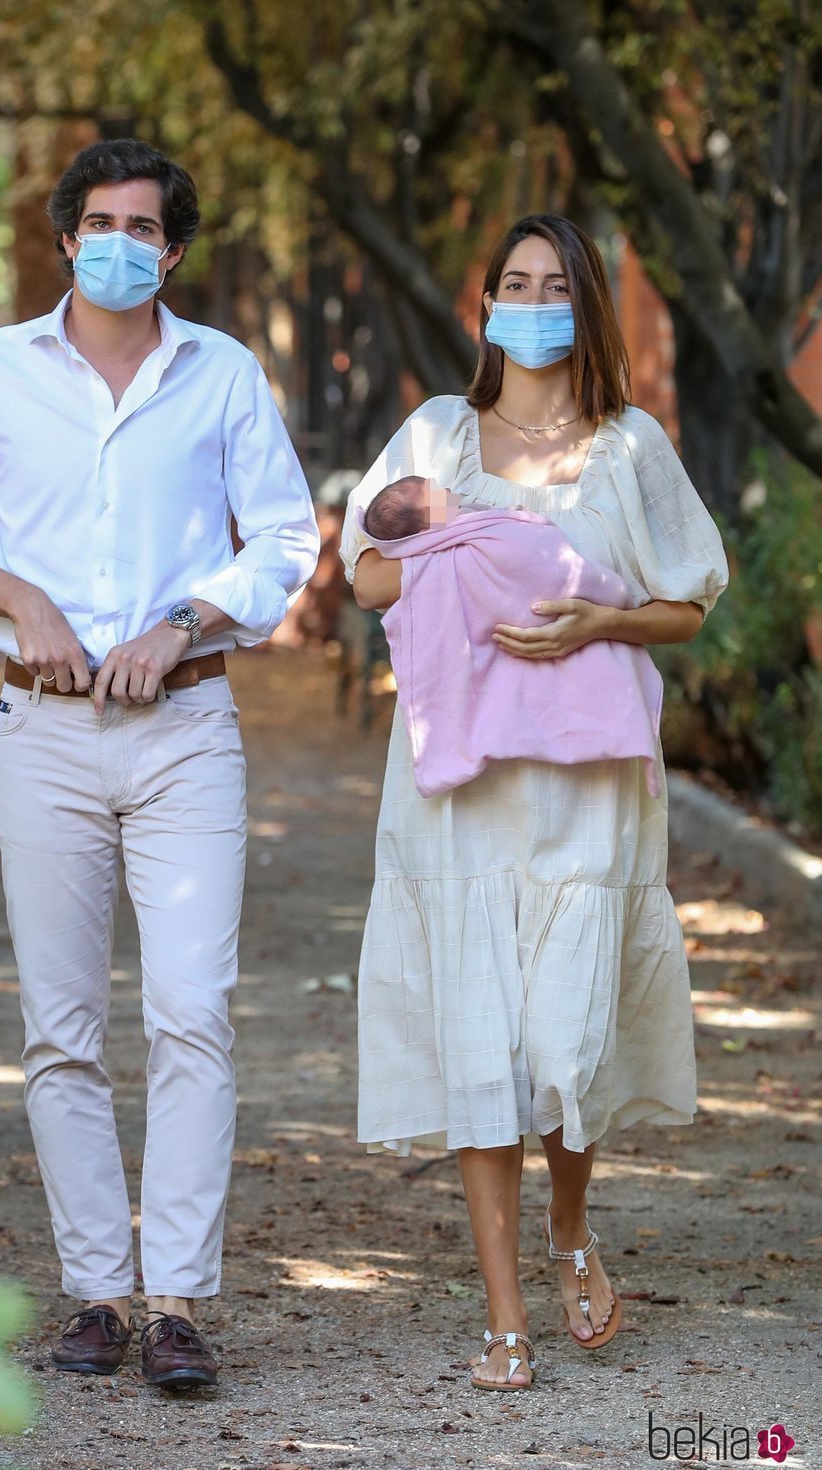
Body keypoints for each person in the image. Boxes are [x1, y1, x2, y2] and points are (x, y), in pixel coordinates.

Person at [0, 139, 320, 1391]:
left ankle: (179, 1301)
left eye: (145, 226)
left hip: (186, 728)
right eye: (98, 221)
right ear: (64, 235)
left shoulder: (223, 373)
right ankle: (96, 1293)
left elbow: (286, 538)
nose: (119, 242)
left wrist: (183, 619)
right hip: (43, 732)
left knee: (193, 1016)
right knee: (62, 1031)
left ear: (173, 252)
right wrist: (15, 593)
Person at [340, 213, 728, 1393]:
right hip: (459, 788)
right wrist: (449, 545)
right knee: (479, 1034)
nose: (531, 300)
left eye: (554, 284)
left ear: (585, 305)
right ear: (484, 304)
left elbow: (688, 602)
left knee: (566, 1031)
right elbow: (362, 573)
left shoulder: (630, 447)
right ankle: (506, 1313)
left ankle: (570, 1228)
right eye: (513, 282)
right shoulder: (436, 435)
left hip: (587, 791)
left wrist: (597, 619)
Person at [359, 475, 664, 801]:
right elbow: (527, 555)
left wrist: (608, 620)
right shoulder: (466, 533)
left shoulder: (472, 521)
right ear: (425, 530)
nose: (443, 490)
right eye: (430, 494)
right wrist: (612, 595)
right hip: (540, 599)